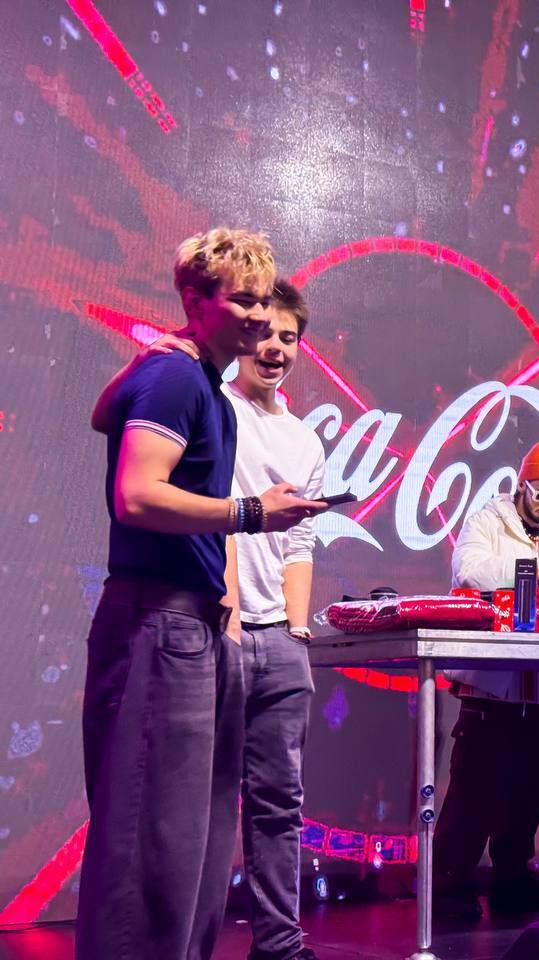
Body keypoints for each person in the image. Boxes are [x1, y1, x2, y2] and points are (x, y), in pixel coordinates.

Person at [78, 230, 325, 960]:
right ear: (195, 300)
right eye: (243, 300)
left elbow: (103, 414)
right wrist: (249, 513)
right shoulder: (179, 379)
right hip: (159, 623)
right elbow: (135, 494)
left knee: (188, 847)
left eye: (264, 300)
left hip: (191, 627)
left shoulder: (192, 381)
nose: (259, 316)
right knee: (148, 845)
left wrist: (149, 355)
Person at [432, 441, 539, 918]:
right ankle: (449, 887)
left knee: (528, 790)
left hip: (536, 688)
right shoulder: (486, 522)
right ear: (522, 485)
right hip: (490, 687)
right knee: (472, 793)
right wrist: (529, 571)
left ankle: (511, 880)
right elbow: (468, 572)